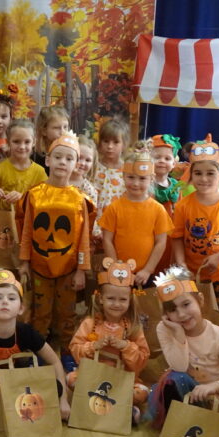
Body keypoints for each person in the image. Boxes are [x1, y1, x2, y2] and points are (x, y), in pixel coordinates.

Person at [147, 266, 219, 437]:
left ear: (200, 300)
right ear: (166, 314)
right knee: (175, 377)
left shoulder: (218, 336)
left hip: (210, 398)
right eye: (172, 310)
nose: (181, 314)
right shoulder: (165, 328)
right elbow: (179, 366)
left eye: (186, 304)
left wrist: (214, 387)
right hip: (180, 393)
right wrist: (179, 334)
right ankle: (174, 430)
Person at [0, 270, 71, 421]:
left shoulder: (25, 332)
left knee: (54, 386)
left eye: (11, 298)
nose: (5, 302)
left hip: (13, 381)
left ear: (21, 308)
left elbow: (55, 361)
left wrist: (63, 400)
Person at [18, 132, 91, 355]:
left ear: (76, 164)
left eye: (69, 159)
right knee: (40, 312)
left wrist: (81, 269)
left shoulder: (79, 198)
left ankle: (68, 353)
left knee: (67, 313)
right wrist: (24, 262)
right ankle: (38, 353)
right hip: (39, 266)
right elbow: (27, 230)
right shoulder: (35, 194)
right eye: (58, 157)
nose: (62, 162)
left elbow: (83, 237)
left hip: (68, 268)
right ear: (48, 160)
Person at [68, 258, 150, 420]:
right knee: (71, 378)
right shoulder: (90, 323)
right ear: (101, 299)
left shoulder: (133, 327)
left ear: (130, 301)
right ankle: (117, 407)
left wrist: (126, 346)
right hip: (94, 376)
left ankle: (123, 408)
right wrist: (93, 346)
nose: (116, 304)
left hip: (122, 379)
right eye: (111, 298)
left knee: (142, 392)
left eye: (122, 300)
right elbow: (75, 348)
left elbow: (142, 359)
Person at [169, 135, 219, 291]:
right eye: (198, 173)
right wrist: (181, 264)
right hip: (190, 274)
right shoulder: (183, 205)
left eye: (210, 173)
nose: (204, 178)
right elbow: (177, 237)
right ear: (191, 175)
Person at [99, 146, 172, 287]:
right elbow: (107, 239)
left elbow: (160, 243)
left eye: (142, 178)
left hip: (144, 275)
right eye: (131, 177)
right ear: (123, 176)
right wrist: (115, 267)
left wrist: (148, 270)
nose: (135, 183)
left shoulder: (158, 210)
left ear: (151, 179)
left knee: (142, 301)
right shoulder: (114, 208)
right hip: (118, 272)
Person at [0, 119, 46, 215]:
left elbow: (43, 202)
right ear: (8, 142)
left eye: (27, 142)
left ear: (34, 142)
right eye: (16, 141)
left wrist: (23, 198)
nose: (22, 147)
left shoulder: (40, 172)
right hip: (4, 220)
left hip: (28, 221)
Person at [93, 118, 127, 224]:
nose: (110, 146)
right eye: (106, 141)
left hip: (118, 221)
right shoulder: (93, 166)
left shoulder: (128, 170)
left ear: (124, 144)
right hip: (94, 221)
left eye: (116, 142)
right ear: (100, 143)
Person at [150, 133, 186, 217]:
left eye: (167, 158)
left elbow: (181, 208)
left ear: (173, 164)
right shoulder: (146, 184)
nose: (162, 161)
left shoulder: (176, 186)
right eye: (157, 157)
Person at [31, 105, 70, 172]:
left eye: (65, 127)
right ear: (44, 131)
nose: (62, 132)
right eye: (56, 128)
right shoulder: (35, 157)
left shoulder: (70, 152)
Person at [69, 134, 98, 207]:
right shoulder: (58, 180)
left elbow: (91, 213)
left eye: (88, 160)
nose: (82, 163)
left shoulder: (89, 190)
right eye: (79, 158)